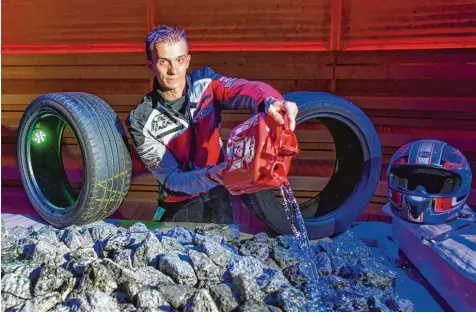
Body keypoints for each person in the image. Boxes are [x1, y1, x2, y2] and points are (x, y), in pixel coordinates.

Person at [126, 25, 298, 224]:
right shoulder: (140, 120)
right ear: (150, 65)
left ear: (188, 60)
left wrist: (270, 99)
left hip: (218, 193)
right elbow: (171, 180)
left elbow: (244, 88)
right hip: (178, 203)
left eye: (179, 60)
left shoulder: (206, 83)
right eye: (164, 62)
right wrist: (212, 175)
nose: (174, 70)